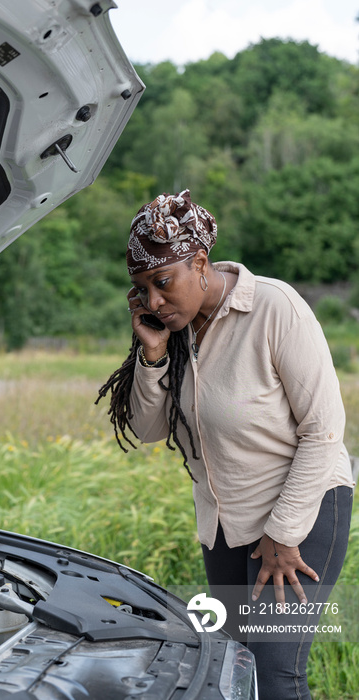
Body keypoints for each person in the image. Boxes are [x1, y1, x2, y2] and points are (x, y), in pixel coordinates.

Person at [97, 189, 354, 700]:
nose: (153, 302)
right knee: (236, 673)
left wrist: (283, 535)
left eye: (163, 283)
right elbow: (149, 429)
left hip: (300, 515)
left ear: (199, 262)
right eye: (142, 290)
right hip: (223, 526)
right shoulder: (179, 332)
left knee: (275, 676)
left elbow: (324, 428)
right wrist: (153, 356)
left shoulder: (274, 308)